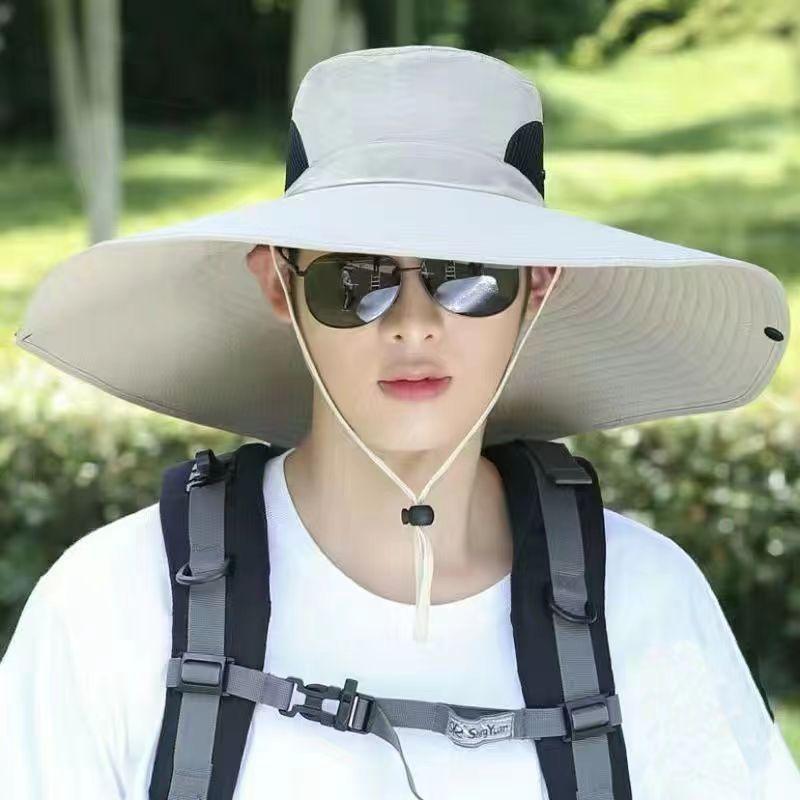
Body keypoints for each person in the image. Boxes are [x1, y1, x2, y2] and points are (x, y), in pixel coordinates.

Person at [2, 44, 799, 799]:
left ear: (538, 286)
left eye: (469, 275)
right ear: (279, 285)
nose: (413, 325)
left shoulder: (645, 604)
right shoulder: (112, 608)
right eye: (356, 279)